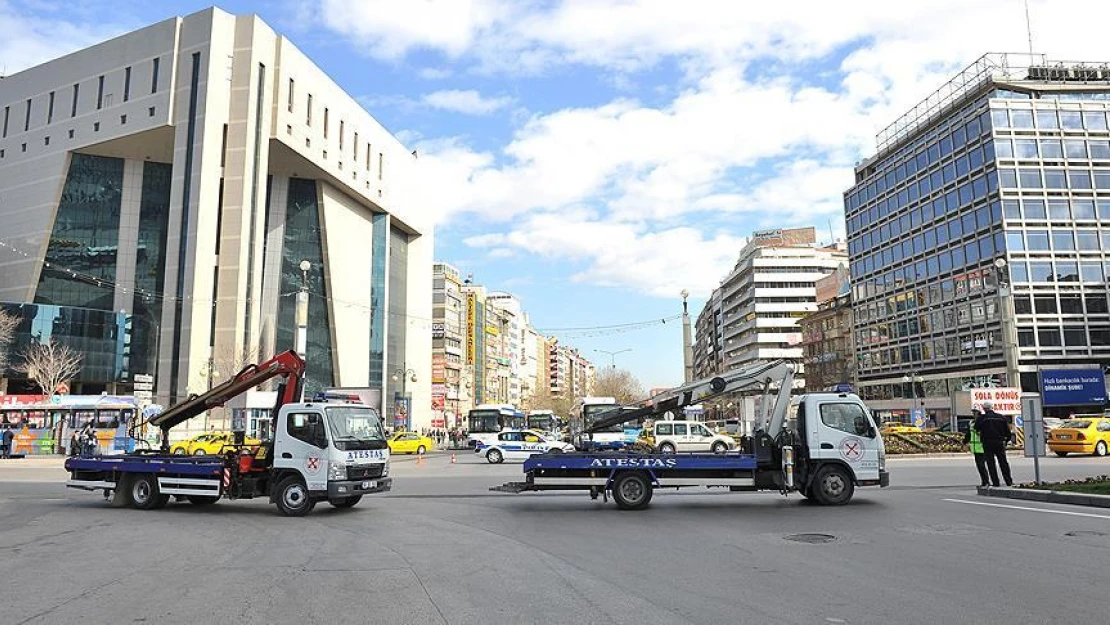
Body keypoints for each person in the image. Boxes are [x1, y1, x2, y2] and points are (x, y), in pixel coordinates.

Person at [974, 402, 1013, 487]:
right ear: (992, 408)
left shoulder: (982, 418)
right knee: (1003, 462)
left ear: (984, 409)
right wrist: (1006, 441)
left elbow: (976, 428)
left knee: (991, 463)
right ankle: (1008, 481)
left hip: (987, 443)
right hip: (999, 442)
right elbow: (1008, 432)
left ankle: (996, 482)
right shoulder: (1001, 417)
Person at [964, 409, 989, 487]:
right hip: (975, 448)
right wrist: (964, 442)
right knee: (979, 466)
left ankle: (986, 481)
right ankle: (984, 481)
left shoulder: (983, 421)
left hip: (982, 447)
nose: (973, 414)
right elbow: (969, 434)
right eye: (973, 412)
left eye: (975, 412)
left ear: (979, 413)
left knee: (982, 466)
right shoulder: (972, 423)